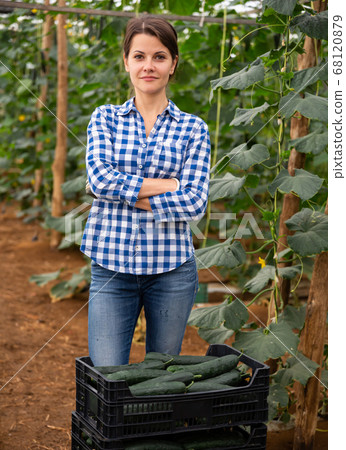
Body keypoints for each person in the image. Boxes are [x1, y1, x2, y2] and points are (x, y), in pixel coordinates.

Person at [80, 15, 211, 366]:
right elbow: (99, 180)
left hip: (171, 270)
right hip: (111, 266)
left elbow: (195, 202)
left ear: (173, 64)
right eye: (139, 56)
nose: (148, 66)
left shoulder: (193, 129)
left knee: (161, 377)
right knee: (107, 373)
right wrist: (169, 186)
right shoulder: (104, 118)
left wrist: (123, 192)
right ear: (126, 62)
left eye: (159, 56)